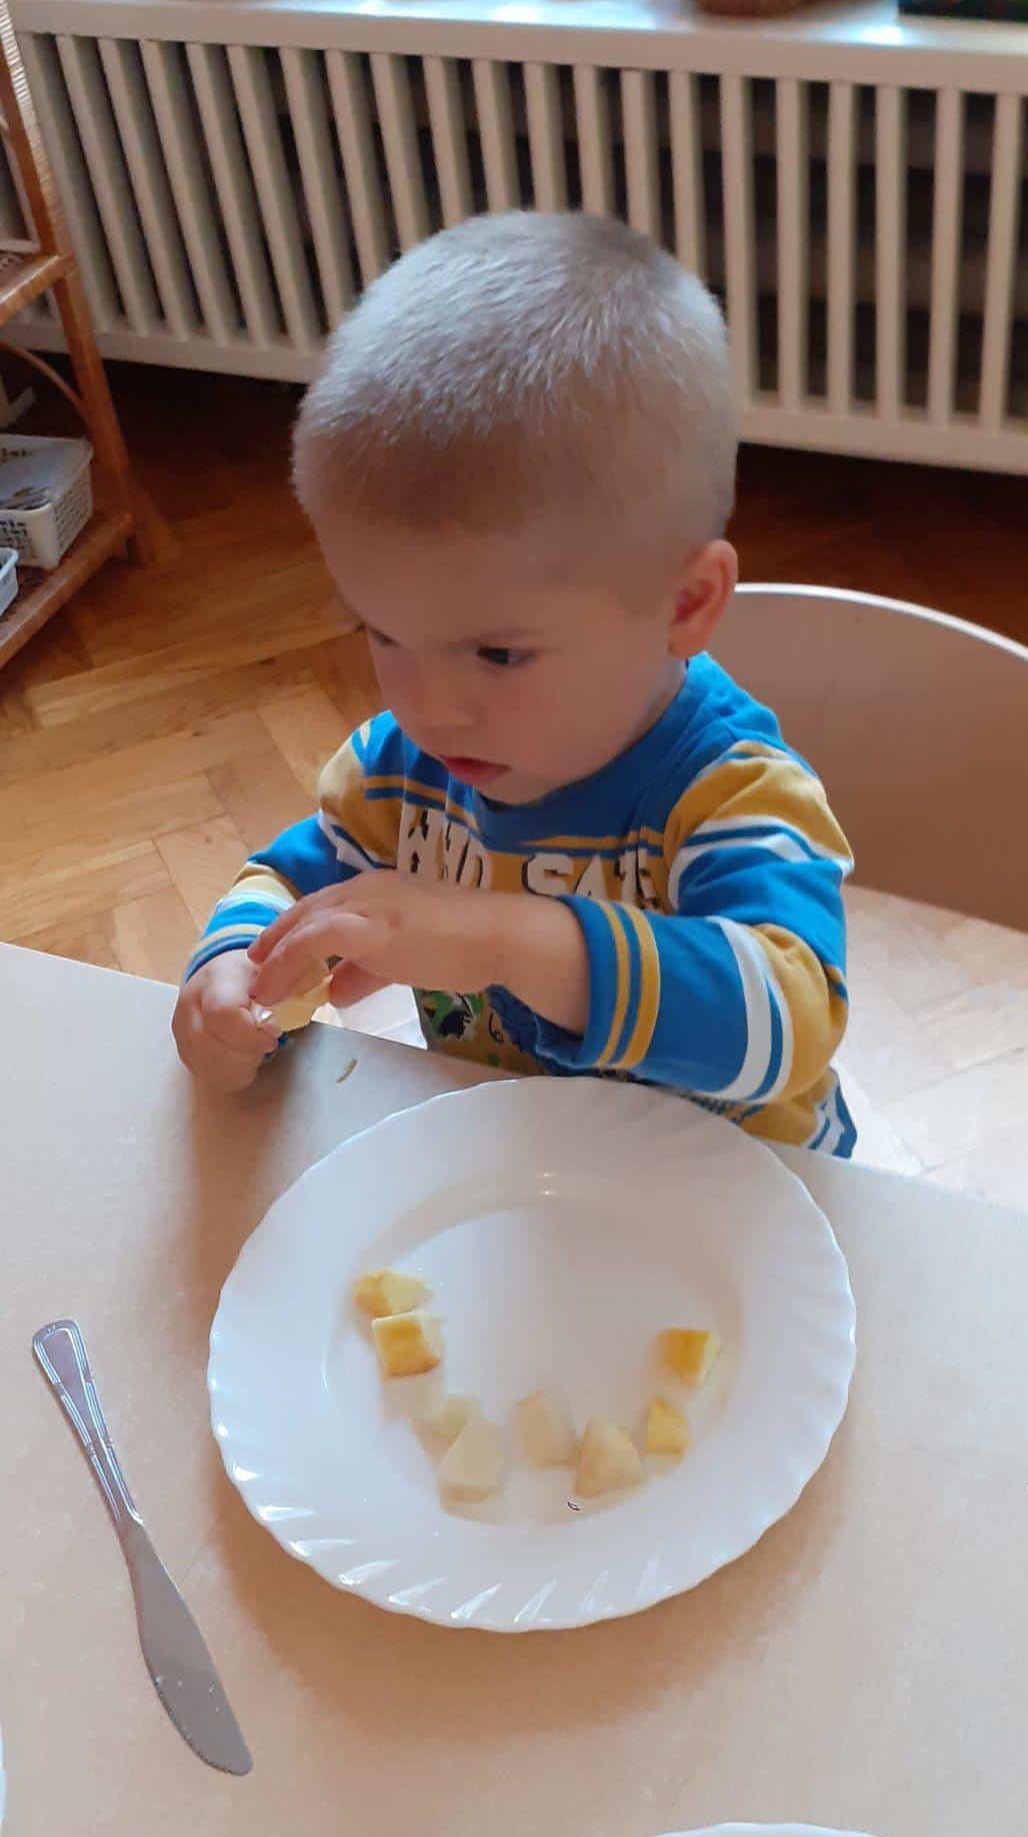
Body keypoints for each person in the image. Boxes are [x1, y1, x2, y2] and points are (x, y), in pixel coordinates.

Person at [173, 211, 854, 1153]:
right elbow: (291, 879)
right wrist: (230, 975)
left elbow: (789, 1021)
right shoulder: (398, 772)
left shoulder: (729, 791)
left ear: (685, 604)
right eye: (383, 634)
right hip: (513, 1175)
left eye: (496, 654)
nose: (428, 708)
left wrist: (500, 938)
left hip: (743, 1199)